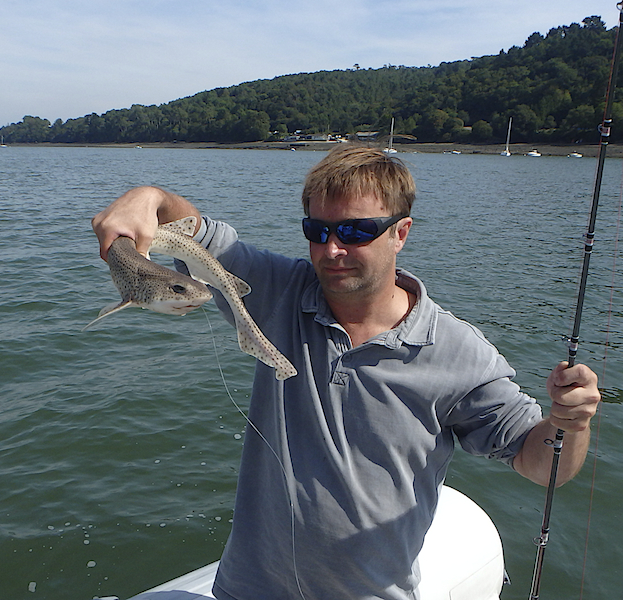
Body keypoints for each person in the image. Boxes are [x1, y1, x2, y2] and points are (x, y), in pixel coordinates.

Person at [91, 145, 600, 600]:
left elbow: (542, 465)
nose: (332, 250)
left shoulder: (458, 353)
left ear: (400, 233)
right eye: (318, 231)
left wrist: (568, 423)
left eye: (355, 232)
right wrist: (149, 197)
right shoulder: (278, 291)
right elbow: (194, 233)